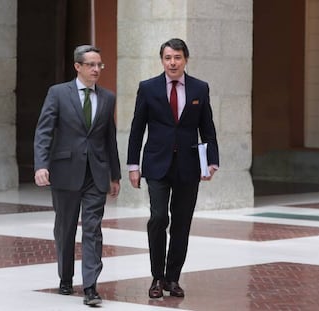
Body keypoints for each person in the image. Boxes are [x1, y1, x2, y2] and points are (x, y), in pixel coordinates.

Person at [127, 38, 219, 299]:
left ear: (185, 59)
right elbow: (137, 129)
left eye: (177, 57)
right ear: (162, 60)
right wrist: (133, 165)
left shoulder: (200, 88)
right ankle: (157, 276)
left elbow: (208, 128)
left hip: (188, 167)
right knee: (158, 219)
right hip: (156, 165)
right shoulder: (148, 88)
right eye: (168, 58)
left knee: (181, 224)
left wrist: (212, 160)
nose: (172, 62)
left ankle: (172, 279)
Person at [34, 45, 121, 306]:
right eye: (91, 65)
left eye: (99, 65)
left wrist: (114, 175)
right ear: (78, 66)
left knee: (93, 229)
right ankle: (65, 277)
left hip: (96, 173)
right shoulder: (58, 93)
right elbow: (44, 131)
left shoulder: (107, 98)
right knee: (65, 227)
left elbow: (109, 138)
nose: (96, 69)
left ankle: (91, 286)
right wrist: (41, 165)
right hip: (64, 172)